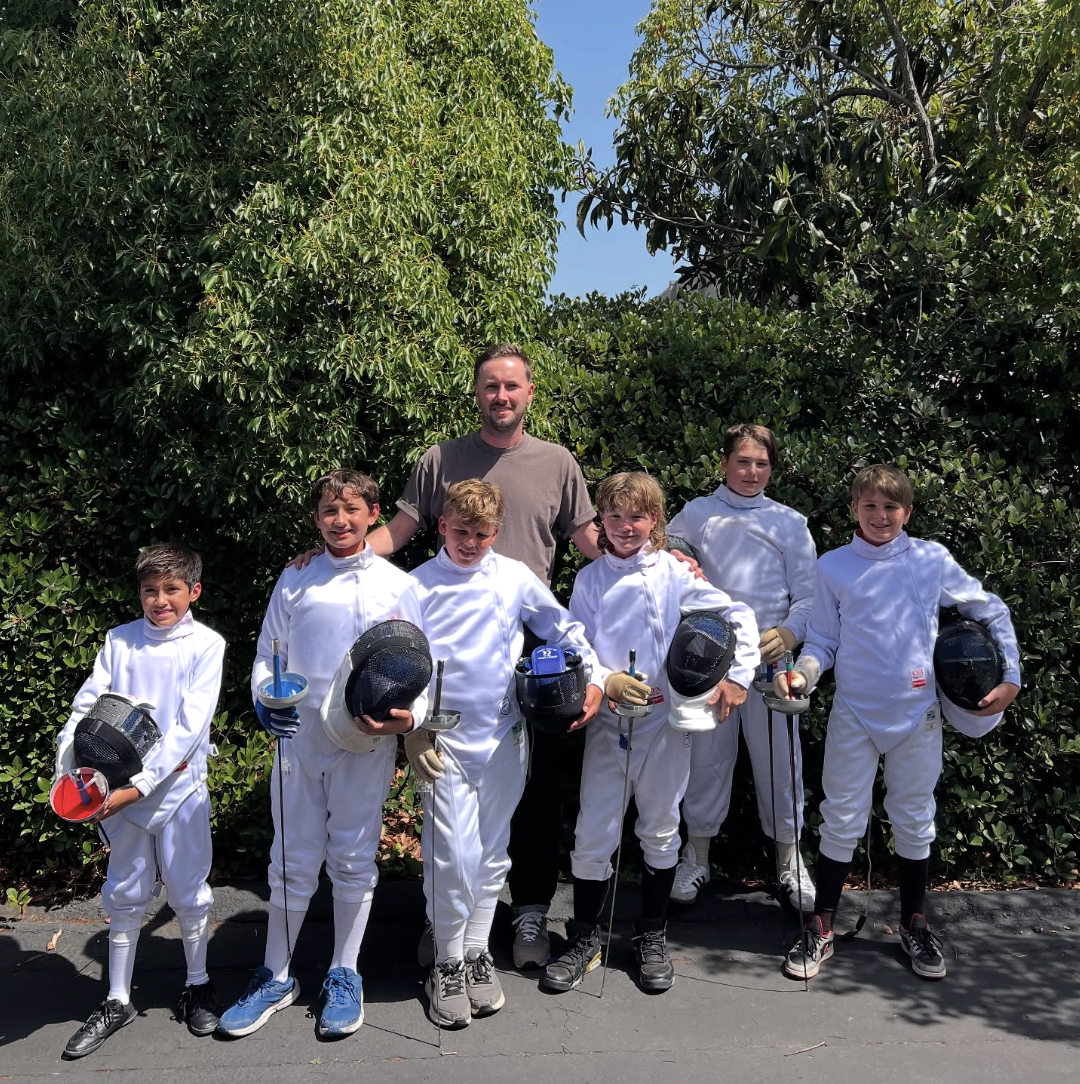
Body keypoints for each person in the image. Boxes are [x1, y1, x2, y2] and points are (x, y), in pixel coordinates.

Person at [292, 343, 602, 969]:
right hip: (444, 672)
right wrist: (336, 556)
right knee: (454, 836)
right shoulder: (440, 464)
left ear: (529, 392)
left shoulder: (557, 462)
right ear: (478, 392)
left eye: (512, 386)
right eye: (491, 385)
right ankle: (446, 932)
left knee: (529, 805)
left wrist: (657, 556)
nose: (501, 396)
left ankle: (524, 917)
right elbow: (397, 533)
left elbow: (591, 539)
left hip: (526, 650)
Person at [776, 464, 1020, 981]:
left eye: (891, 507)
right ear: (854, 509)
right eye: (870, 505)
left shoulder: (931, 559)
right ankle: (821, 925)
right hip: (855, 712)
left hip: (917, 712)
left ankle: (914, 923)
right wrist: (803, 674)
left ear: (907, 512)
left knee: (914, 816)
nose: (880, 516)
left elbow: (991, 609)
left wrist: (1011, 678)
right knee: (841, 817)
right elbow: (823, 640)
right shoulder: (834, 566)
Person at [217, 470, 425, 1040]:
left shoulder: (397, 585)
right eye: (330, 511)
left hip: (364, 741)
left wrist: (410, 719)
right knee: (290, 859)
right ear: (316, 519)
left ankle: (344, 972)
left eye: (352, 509)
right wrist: (265, 699)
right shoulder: (296, 577)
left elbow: (420, 665)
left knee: (353, 860)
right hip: (299, 739)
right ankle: (276, 976)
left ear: (373, 514)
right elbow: (268, 654)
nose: (340, 520)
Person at [543, 472, 759, 995]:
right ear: (601, 520)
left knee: (661, 829)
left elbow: (737, 616)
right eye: (614, 516)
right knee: (593, 833)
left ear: (655, 520)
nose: (625, 527)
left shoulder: (674, 572)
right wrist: (604, 679)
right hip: (610, 724)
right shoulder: (590, 580)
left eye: (636, 517)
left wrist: (737, 677)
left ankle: (651, 934)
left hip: (665, 725)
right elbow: (576, 645)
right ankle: (585, 937)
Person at [402, 480, 603, 1028]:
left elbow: (563, 630)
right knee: (451, 856)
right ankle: (445, 963)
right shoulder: (416, 586)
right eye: (461, 532)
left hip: (504, 736)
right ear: (443, 526)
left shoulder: (514, 577)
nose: (471, 543)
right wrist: (413, 728)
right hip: (443, 740)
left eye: (482, 534)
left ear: (496, 532)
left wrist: (594, 677)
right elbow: (403, 663)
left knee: (491, 855)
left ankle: (474, 953)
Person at [55, 544, 226, 1059]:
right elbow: (87, 707)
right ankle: (117, 998)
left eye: (172, 589)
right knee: (125, 890)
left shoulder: (207, 645)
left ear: (193, 591)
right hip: (118, 795)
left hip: (178, 792)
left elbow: (188, 729)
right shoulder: (120, 640)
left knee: (188, 890)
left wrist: (138, 787)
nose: (160, 600)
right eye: (150, 590)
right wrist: (69, 772)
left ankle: (197, 983)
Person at [667, 424, 819, 909]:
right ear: (724, 464)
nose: (752, 472)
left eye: (761, 463)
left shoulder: (789, 522)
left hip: (772, 665)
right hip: (713, 661)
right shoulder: (698, 513)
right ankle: (696, 855)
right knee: (706, 762)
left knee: (781, 764)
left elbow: (810, 596)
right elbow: (666, 554)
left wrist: (790, 632)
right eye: (743, 462)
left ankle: (790, 860)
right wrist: (677, 554)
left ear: (772, 468)